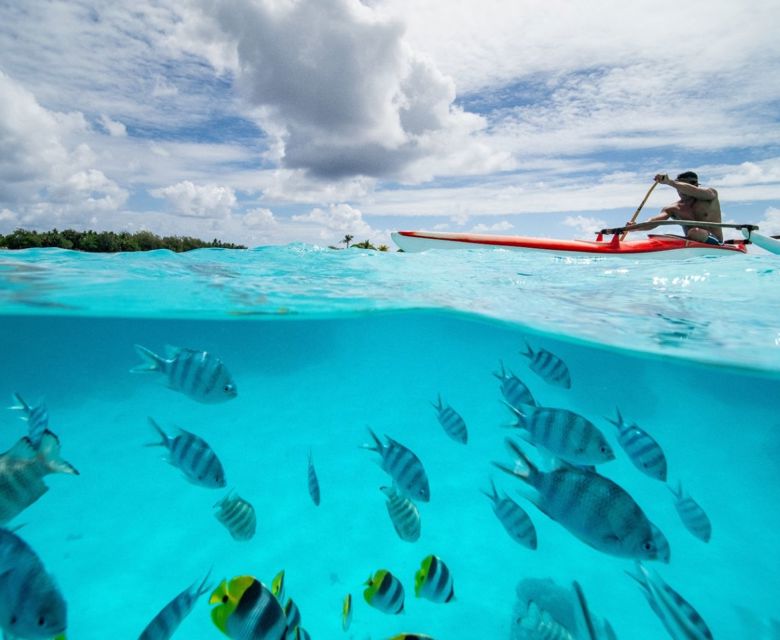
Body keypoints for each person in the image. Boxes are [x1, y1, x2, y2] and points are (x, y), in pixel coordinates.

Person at [627, 171, 723, 244]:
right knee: (665, 236)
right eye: (678, 187)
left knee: (695, 232)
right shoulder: (673, 208)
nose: (680, 190)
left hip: (717, 243)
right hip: (690, 244)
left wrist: (669, 182)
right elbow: (654, 221)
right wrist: (635, 227)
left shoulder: (710, 195)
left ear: (696, 185)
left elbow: (697, 191)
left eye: (682, 186)